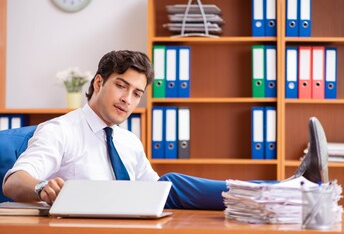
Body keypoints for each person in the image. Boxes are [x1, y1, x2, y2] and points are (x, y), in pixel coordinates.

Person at [2, 50, 327, 210]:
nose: (127, 100)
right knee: (172, 184)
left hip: (128, 220)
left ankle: (290, 192)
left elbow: (156, 196)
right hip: (85, 224)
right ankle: (291, 189)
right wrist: (42, 187)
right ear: (98, 83)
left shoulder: (128, 141)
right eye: (121, 86)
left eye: (136, 94)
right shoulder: (59, 130)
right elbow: (15, 182)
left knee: (169, 186)